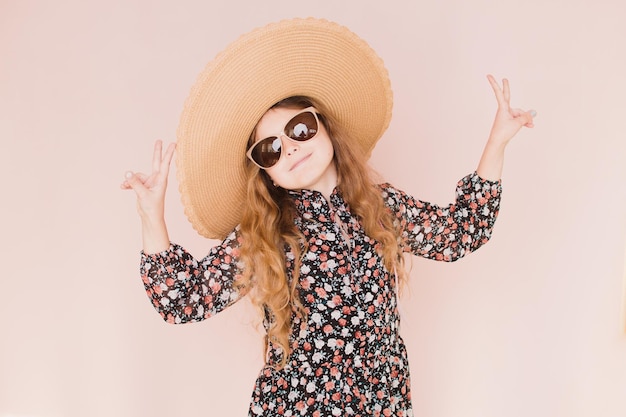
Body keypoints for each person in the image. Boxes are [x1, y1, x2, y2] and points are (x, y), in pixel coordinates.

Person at [121, 18, 534, 417]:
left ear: (325, 126)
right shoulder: (265, 234)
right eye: (270, 148)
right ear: (264, 169)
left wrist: (497, 141)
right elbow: (184, 299)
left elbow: (460, 233)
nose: (291, 148)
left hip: (381, 405)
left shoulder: (381, 206)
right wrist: (150, 215)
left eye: (299, 129)